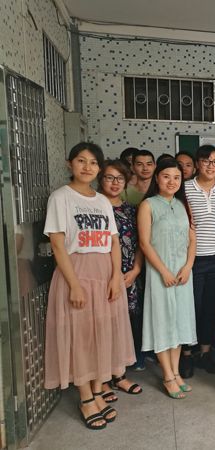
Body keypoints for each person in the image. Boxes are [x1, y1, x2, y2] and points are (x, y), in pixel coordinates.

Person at [44, 142, 135, 430]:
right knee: (81, 336)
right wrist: (73, 285)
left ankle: (98, 390)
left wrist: (115, 277)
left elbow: (114, 242)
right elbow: (58, 245)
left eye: (93, 162)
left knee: (103, 333)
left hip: (105, 273)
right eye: (81, 161)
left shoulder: (102, 201)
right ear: (69, 164)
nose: (87, 167)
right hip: (77, 273)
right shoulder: (61, 197)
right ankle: (85, 397)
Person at [138, 158, 196, 399]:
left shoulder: (183, 205)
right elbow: (144, 243)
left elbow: (192, 239)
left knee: (180, 322)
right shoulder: (148, 205)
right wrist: (163, 271)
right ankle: (167, 376)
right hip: (159, 273)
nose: (171, 181)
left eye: (176, 177)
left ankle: (176, 372)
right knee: (162, 322)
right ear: (157, 178)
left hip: (183, 274)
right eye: (166, 176)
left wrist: (188, 266)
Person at [183, 145, 215, 377]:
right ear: (197, 164)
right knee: (190, 308)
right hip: (191, 259)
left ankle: (204, 353)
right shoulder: (185, 187)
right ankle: (186, 354)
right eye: (206, 161)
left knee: (210, 308)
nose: (211, 166)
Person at [97, 160, 145, 397]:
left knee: (122, 325)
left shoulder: (131, 210)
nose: (115, 183)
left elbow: (140, 243)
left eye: (120, 178)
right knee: (101, 326)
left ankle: (119, 375)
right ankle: (102, 379)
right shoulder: (94, 207)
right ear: (100, 180)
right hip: (101, 275)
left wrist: (135, 270)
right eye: (109, 177)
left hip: (128, 275)